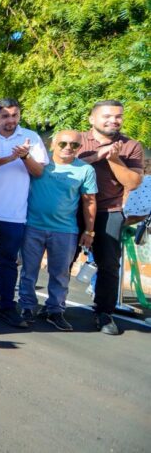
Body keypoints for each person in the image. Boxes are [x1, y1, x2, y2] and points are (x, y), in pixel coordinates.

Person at [18, 130, 97, 330]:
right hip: (32, 226)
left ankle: (55, 310)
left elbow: (89, 201)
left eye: (74, 145)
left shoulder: (85, 170)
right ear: (53, 144)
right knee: (29, 271)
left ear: (80, 147)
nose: (68, 148)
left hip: (65, 230)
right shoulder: (40, 164)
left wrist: (89, 231)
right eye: (63, 143)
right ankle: (26, 306)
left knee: (61, 273)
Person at [0, 98, 48, 328]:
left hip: (13, 212)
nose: (10, 120)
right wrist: (11, 157)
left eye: (14, 115)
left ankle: (7, 307)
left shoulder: (31, 138)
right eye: (5, 116)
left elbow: (39, 172)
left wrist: (26, 156)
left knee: (8, 262)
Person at [78, 100, 144, 335]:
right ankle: (53, 308)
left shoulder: (131, 146)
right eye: (107, 116)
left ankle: (104, 313)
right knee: (62, 259)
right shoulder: (76, 139)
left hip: (109, 210)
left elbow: (133, 182)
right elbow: (63, 166)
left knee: (109, 265)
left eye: (118, 116)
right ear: (92, 119)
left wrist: (113, 158)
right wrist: (98, 155)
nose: (113, 120)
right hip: (71, 209)